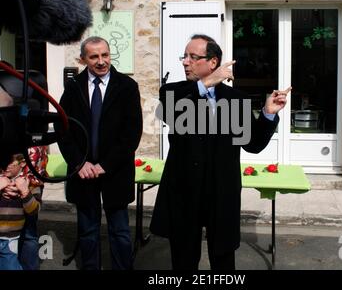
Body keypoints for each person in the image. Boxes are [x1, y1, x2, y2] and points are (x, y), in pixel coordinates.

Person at [150, 34, 290, 270]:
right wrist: (205, 84)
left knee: (223, 260)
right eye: (184, 57)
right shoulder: (173, 92)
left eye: (193, 57)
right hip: (184, 191)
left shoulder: (236, 99)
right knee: (183, 260)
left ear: (212, 62)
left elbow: (253, 145)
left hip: (221, 192)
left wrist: (268, 113)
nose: (185, 62)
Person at [57, 36, 143, 270]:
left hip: (115, 171)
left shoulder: (126, 86)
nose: (101, 61)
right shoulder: (73, 87)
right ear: (83, 58)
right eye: (94, 56)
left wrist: (106, 164)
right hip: (83, 172)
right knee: (88, 232)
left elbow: (132, 132)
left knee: (121, 233)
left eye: (105, 55)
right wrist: (79, 163)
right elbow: (63, 129)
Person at [0, 154, 41, 270]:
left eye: (10, 163)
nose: (5, 166)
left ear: (22, 163)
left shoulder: (31, 183)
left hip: (10, 240)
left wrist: (25, 192)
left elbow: (34, 211)